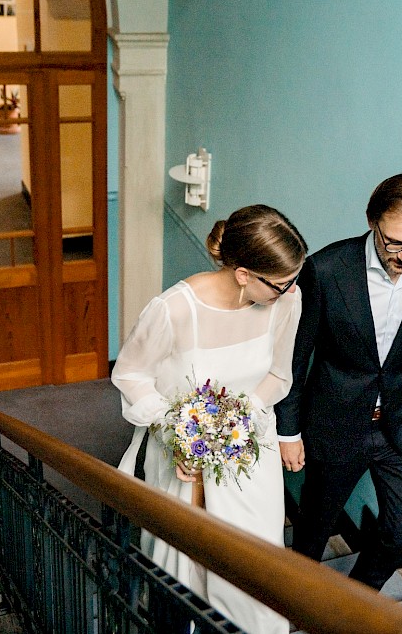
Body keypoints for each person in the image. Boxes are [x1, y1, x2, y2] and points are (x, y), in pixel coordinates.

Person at [113, 204, 307, 634]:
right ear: (243, 275)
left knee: (253, 565)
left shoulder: (284, 301)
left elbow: (279, 374)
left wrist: (240, 420)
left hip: (251, 451)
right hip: (185, 454)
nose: (291, 289)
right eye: (280, 283)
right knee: (181, 563)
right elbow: (130, 373)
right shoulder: (174, 309)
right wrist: (177, 429)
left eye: (293, 278)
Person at [275, 171, 402, 590]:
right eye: (396, 242)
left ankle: (352, 603)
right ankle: (295, 602)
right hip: (337, 420)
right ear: (373, 222)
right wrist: (288, 431)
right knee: (314, 532)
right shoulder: (326, 269)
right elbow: (298, 357)